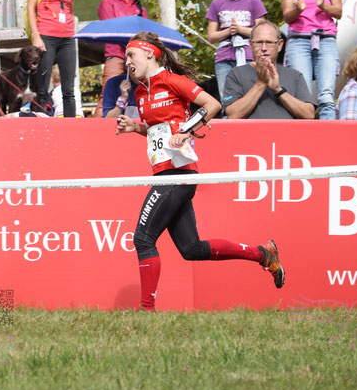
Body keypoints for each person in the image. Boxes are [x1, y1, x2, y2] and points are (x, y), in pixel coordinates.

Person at [115, 31, 285, 311]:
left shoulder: (172, 81)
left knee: (143, 239)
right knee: (191, 249)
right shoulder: (140, 92)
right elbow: (159, 131)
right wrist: (135, 127)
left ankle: (146, 313)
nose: (127, 62)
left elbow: (213, 105)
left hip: (179, 174)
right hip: (165, 174)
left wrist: (186, 131)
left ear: (149, 53)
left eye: (131, 55)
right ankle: (263, 254)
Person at [280, 0, 342, 120]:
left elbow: (338, 12)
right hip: (299, 39)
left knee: (326, 96)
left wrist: (323, 7)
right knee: (302, 96)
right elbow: (286, 16)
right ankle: (303, 138)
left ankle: (329, 138)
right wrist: (297, 9)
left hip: (325, 39)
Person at [223, 20, 316, 119]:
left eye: (269, 42)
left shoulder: (295, 76)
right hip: (252, 134)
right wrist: (261, 83)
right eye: (259, 42)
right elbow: (233, 115)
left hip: (286, 133)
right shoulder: (236, 74)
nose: (264, 48)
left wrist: (278, 90)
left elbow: (309, 115)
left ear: (279, 45)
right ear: (250, 45)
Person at [27, 0, 78, 117]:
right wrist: (36, 36)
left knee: (69, 89)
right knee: (42, 89)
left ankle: (71, 131)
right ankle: (42, 131)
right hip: (45, 36)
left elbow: (70, 10)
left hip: (67, 38)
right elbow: (30, 9)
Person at [206, 0, 267, 104]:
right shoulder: (217, 3)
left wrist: (240, 29)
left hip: (249, 56)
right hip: (224, 58)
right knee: (226, 97)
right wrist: (228, 32)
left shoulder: (254, 1)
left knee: (250, 96)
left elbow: (262, 32)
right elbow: (211, 37)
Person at [95, 0, 148, 117]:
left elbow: (144, 36)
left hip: (137, 57)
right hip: (116, 55)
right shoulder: (108, 2)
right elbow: (110, 30)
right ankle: (97, 129)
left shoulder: (141, 9)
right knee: (108, 94)